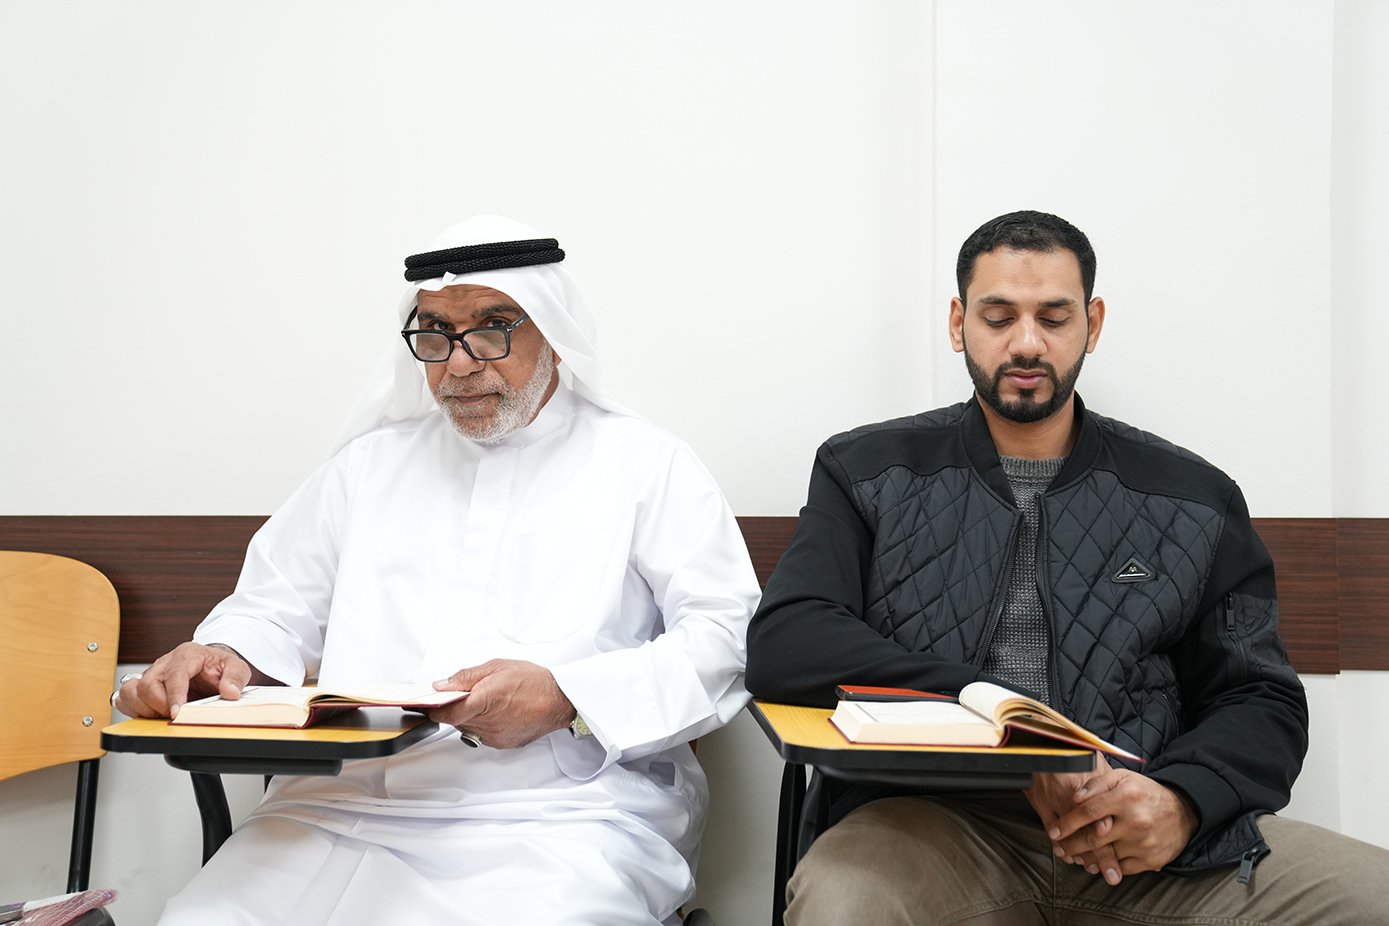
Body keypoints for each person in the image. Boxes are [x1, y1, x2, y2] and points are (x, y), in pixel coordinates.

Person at [745, 210, 1389, 924]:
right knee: (844, 901)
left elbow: (1261, 700)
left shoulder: (1194, 497)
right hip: (930, 829)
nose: (1026, 343)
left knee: (1372, 895)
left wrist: (1182, 801)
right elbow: (787, 643)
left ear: (1093, 323)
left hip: (1142, 842)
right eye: (999, 317)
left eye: (1053, 318)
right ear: (958, 323)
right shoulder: (866, 471)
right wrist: (1005, 723)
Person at [115, 216, 760, 926]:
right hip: (332, 805)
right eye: (436, 332)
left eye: (493, 327)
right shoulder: (367, 467)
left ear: (552, 332)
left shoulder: (646, 465)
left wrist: (566, 697)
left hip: (560, 818)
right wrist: (220, 654)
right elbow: (271, 608)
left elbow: (724, 638)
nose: (458, 363)